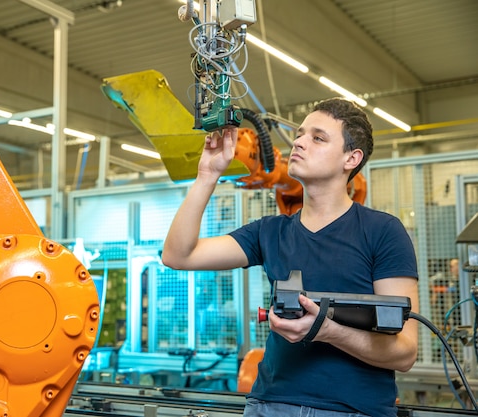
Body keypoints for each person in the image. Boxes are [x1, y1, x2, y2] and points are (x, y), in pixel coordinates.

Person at [162, 98, 419, 417]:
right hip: (268, 405)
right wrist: (207, 175)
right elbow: (177, 255)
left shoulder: (383, 232)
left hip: (352, 410)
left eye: (318, 137)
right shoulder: (269, 231)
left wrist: (326, 330)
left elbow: (405, 352)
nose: (298, 141)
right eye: (300, 134)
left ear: (351, 158)